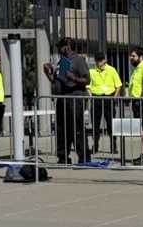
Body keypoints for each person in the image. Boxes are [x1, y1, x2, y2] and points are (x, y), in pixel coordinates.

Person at [43, 36, 90, 165]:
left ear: (67, 47)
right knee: (61, 129)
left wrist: (74, 78)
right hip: (62, 99)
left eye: (60, 47)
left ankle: (84, 158)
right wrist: (48, 73)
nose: (59, 49)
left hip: (75, 99)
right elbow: (56, 81)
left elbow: (87, 80)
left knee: (76, 128)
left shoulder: (78, 60)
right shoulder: (61, 61)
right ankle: (63, 157)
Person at [88, 52, 122, 153]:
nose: (99, 62)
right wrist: (91, 97)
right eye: (97, 60)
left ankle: (113, 146)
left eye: (101, 60)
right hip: (96, 98)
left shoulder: (112, 70)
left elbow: (118, 85)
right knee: (95, 124)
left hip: (109, 98)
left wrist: (114, 98)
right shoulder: (92, 71)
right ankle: (95, 145)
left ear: (104, 60)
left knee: (111, 124)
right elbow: (88, 86)